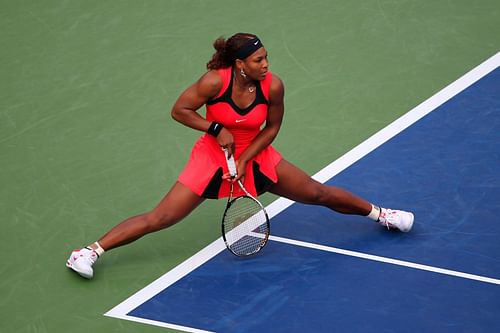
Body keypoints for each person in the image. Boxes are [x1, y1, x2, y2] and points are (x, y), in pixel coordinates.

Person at [66, 33, 414, 279]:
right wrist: (216, 129)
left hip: (256, 153)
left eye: (266, 58)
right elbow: (180, 110)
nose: (266, 65)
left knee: (316, 192)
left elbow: (272, 127)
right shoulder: (213, 83)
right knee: (162, 217)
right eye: (258, 60)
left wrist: (247, 158)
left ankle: (381, 214)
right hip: (211, 156)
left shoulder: (272, 85)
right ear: (240, 63)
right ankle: (88, 252)